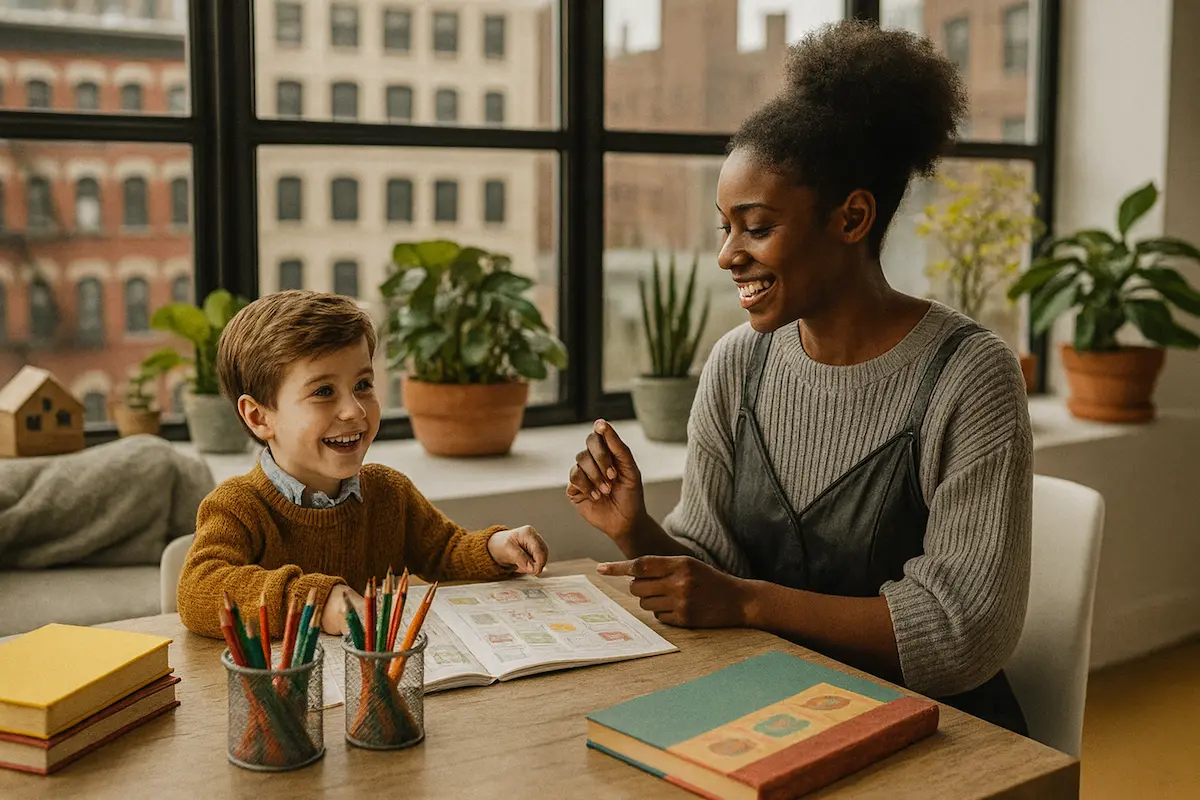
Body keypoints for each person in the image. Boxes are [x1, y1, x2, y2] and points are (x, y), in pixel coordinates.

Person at [567, 20, 1032, 734]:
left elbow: (961, 630)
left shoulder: (970, 377)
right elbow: (710, 574)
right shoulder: (737, 364)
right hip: (776, 709)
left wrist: (750, 603)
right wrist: (635, 530)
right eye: (724, 227)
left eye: (756, 227)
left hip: (938, 733)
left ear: (852, 218)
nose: (728, 256)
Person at [178, 290, 548, 640]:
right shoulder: (238, 506)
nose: (354, 410)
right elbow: (198, 591)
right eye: (324, 392)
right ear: (258, 417)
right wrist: (316, 603)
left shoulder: (388, 493)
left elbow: (444, 551)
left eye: (363, 385)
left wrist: (496, 547)